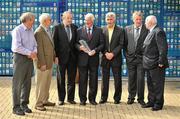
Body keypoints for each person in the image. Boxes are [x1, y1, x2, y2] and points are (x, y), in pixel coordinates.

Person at [11, 12, 37, 116]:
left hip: (29, 59)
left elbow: (35, 44)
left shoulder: (31, 30)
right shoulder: (18, 30)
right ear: (26, 20)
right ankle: (16, 107)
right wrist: (29, 53)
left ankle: (24, 104)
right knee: (17, 84)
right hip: (20, 59)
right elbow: (16, 47)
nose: (33, 22)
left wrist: (34, 52)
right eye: (32, 20)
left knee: (27, 83)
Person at [75, 13, 104, 105]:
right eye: (85, 20)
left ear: (92, 21)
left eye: (88, 20)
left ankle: (92, 99)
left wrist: (95, 50)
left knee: (93, 80)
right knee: (82, 80)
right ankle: (82, 100)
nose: (86, 22)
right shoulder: (79, 30)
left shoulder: (99, 30)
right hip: (82, 59)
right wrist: (80, 47)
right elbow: (75, 43)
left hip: (94, 59)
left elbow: (102, 44)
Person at [142, 15, 169, 111]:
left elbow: (163, 48)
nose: (144, 23)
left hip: (157, 64)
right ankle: (151, 101)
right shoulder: (151, 31)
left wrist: (161, 61)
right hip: (149, 64)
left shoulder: (158, 31)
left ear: (151, 22)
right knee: (150, 84)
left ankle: (158, 104)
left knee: (157, 85)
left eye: (146, 21)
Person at [53, 11, 78, 105]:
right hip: (61, 58)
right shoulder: (57, 28)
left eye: (71, 18)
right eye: (68, 18)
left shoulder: (75, 27)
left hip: (72, 58)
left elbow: (76, 42)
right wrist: (55, 56)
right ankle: (61, 99)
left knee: (71, 79)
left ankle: (70, 98)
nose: (70, 20)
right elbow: (54, 43)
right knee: (61, 79)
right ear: (63, 18)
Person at [124, 11, 148, 106]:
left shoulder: (146, 29)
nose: (138, 21)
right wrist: (126, 56)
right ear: (133, 19)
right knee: (131, 79)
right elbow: (124, 44)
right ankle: (131, 97)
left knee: (140, 79)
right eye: (136, 19)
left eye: (139, 19)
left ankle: (141, 99)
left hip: (141, 59)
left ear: (142, 19)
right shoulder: (127, 29)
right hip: (130, 59)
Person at [99, 12, 124, 104]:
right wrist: (105, 53)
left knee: (117, 79)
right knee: (104, 79)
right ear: (106, 20)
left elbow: (121, 44)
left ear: (114, 19)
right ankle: (103, 98)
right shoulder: (102, 29)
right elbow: (101, 43)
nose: (109, 21)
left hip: (116, 58)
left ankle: (117, 98)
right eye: (108, 19)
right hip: (105, 58)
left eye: (111, 19)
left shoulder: (120, 30)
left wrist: (113, 53)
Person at [34, 13, 57, 111]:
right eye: (49, 20)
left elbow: (51, 46)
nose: (51, 21)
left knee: (47, 83)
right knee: (40, 84)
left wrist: (54, 57)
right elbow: (39, 50)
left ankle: (45, 100)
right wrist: (42, 63)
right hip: (42, 64)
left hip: (49, 62)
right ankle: (38, 103)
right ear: (44, 21)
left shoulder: (48, 30)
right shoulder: (39, 32)